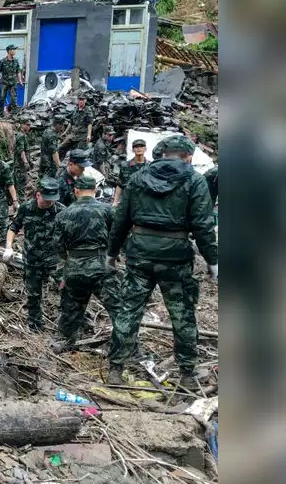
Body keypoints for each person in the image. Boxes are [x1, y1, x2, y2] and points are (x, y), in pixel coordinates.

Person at [106, 135, 218, 383]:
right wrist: (213, 261)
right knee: (182, 314)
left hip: (139, 253)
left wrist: (112, 253)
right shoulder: (194, 180)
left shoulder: (138, 178)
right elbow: (203, 225)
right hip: (175, 256)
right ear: (188, 156)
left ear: (163, 153)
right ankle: (187, 373)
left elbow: (121, 220)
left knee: (129, 311)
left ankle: (115, 368)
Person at [51, 174, 122, 355]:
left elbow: (58, 247)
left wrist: (65, 266)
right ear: (96, 191)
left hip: (75, 267)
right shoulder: (107, 211)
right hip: (102, 265)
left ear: (75, 191)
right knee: (117, 309)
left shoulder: (62, 215)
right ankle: (126, 347)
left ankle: (66, 341)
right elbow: (119, 235)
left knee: (71, 308)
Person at [4, 178, 63, 330]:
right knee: (33, 294)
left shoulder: (61, 211)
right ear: (38, 195)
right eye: (46, 199)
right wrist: (9, 247)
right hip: (32, 260)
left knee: (67, 289)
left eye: (52, 200)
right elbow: (13, 227)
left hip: (55, 261)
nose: (50, 203)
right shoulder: (26, 208)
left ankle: (70, 323)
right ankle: (35, 325)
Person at [113, 138, 149, 206]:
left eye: (141, 146)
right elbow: (119, 185)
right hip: (128, 203)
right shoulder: (125, 165)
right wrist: (115, 201)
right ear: (133, 150)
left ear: (145, 149)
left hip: (144, 203)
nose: (139, 148)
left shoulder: (150, 166)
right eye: (136, 147)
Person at [0, 44, 23, 116]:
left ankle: (14, 114)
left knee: (14, 99)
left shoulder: (16, 61)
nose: (14, 51)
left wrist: (20, 81)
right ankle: (0, 114)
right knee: (2, 98)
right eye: (13, 50)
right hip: (4, 82)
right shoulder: (2, 61)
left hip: (13, 83)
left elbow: (18, 71)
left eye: (14, 50)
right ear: (9, 51)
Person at [41, 116, 65, 181]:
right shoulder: (52, 135)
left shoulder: (47, 130)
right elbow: (54, 152)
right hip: (49, 164)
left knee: (42, 180)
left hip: (43, 161)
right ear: (57, 124)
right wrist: (59, 166)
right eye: (61, 125)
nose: (62, 127)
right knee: (49, 183)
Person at [13, 117, 33, 192]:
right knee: (20, 186)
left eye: (29, 125)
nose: (29, 127)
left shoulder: (23, 135)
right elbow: (21, 151)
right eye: (27, 125)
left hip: (21, 166)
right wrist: (25, 162)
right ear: (22, 125)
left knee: (21, 184)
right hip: (20, 166)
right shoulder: (21, 136)